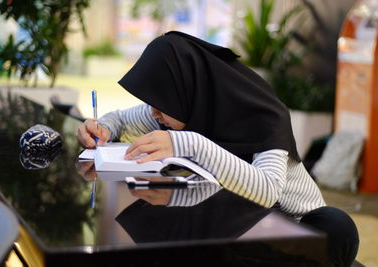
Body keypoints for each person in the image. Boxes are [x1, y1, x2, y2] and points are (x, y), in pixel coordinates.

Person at [76, 31, 358, 266]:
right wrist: (103, 127)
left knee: (337, 227)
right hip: (235, 221)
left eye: (160, 104)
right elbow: (123, 119)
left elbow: (267, 190)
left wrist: (191, 143)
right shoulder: (183, 107)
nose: (154, 113)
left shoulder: (264, 116)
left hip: (290, 222)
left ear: (188, 88)